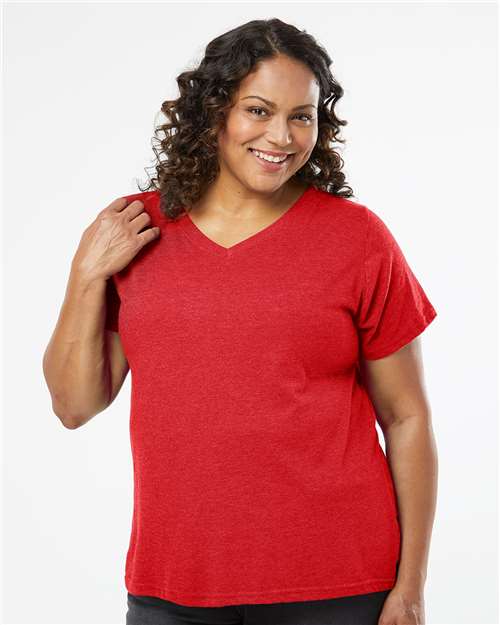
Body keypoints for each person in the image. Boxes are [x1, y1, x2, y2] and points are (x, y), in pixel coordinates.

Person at [42, 18, 438, 625]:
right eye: (258, 110)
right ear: (214, 112)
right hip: (174, 585)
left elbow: (407, 417)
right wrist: (85, 274)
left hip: (336, 582)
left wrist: (410, 590)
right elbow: (74, 406)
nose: (281, 136)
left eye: (301, 116)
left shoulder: (357, 239)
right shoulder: (134, 230)